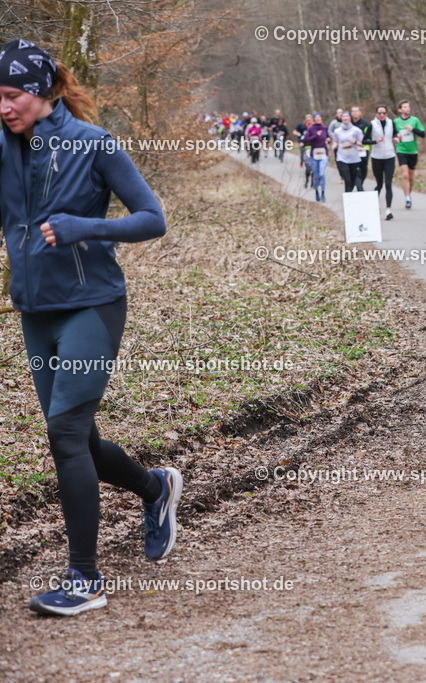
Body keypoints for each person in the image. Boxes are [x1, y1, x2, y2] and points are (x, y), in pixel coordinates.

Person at [0, 40, 180, 616]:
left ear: (44, 91)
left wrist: (85, 226)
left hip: (91, 305)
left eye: (12, 96)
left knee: (65, 432)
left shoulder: (91, 144)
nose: (4, 107)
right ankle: (155, 488)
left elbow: (152, 219)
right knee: (76, 436)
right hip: (35, 311)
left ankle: (85, 579)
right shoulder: (2, 149)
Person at [393, 99, 425, 209]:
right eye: (405, 107)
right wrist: (397, 137)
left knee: (411, 177)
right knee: (405, 175)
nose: (408, 109)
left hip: (413, 151)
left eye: (408, 107)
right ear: (400, 110)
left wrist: (413, 129)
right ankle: (407, 198)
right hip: (401, 150)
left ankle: (409, 194)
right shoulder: (396, 122)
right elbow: (393, 135)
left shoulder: (415, 120)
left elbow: (423, 134)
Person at [370, 104, 396, 220]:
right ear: (376, 114)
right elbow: (365, 140)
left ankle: (388, 210)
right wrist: (375, 141)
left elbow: (395, 133)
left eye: (384, 113)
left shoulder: (391, 123)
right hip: (377, 157)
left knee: (389, 184)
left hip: (390, 156)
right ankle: (373, 208)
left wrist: (396, 137)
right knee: (379, 184)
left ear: (386, 114)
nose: (382, 115)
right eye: (379, 113)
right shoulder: (372, 124)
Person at [331, 110, 364, 192]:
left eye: (347, 116)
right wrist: (334, 145)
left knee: (353, 180)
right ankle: (348, 198)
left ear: (350, 118)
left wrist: (355, 142)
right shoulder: (337, 131)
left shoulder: (356, 130)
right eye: (343, 116)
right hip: (342, 158)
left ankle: (349, 196)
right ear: (341, 118)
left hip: (354, 159)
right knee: (347, 179)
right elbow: (336, 141)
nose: (345, 118)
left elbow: (362, 143)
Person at [302, 111, 330, 202]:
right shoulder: (311, 129)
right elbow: (306, 139)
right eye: (316, 117)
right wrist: (315, 136)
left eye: (319, 117)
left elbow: (328, 137)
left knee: (322, 173)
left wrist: (328, 140)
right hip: (314, 155)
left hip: (324, 154)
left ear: (321, 118)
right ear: (314, 119)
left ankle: (323, 193)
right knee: (316, 175)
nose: (318, 119)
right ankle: (316, 192)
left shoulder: (324, 128)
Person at [350, 106, 372, 188]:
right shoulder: (349, 124)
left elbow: (369, 137)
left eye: (357, 111)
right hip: (352, 150)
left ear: (360, 112)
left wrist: (362, 142)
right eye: (353, 111)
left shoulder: (365, 124)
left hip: (363, 149)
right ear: (351, 113)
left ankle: (360, 183)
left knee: (363, 169)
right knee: (354, 168)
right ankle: (357, 185)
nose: (355, 113)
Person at [295, 114, 313, 188]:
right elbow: (295, 131)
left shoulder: (315, 127)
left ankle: (312, 182)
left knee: (313, 167)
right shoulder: (302, 126)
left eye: (310, 120)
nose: (308, 121)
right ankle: (306, 181)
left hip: (314, 148)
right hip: (305, 147)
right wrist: (300, 139)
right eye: (307, 120)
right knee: (308, 166)